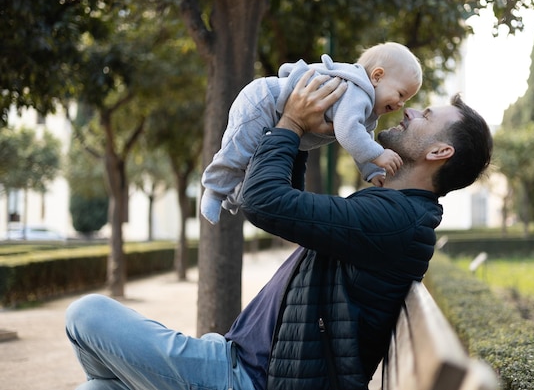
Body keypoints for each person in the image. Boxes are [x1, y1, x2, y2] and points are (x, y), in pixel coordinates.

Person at [65, 70, 493, 390]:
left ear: (440, 151)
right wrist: (305, 138)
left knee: (86, 315)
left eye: (427, 114)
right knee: (96, 389)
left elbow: (264, 202)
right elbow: (295, 211)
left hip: (250, 379)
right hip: (239, 359)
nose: (410, 110)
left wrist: (289, 123)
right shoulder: (396, 211)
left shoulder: (396, 222)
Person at [201, 42, 422, 224]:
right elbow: (348, 132)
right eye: (401, 94)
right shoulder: (357, 92)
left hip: (275, 112)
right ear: (377, 76)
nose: (402, 104)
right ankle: (213, 190)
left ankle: (229, 194)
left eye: (406, 100)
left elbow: (362, 140)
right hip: (263, 101)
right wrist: (378, 155)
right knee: (239, 151)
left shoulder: (369, 110)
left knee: (251, 160)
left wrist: (373, 171)